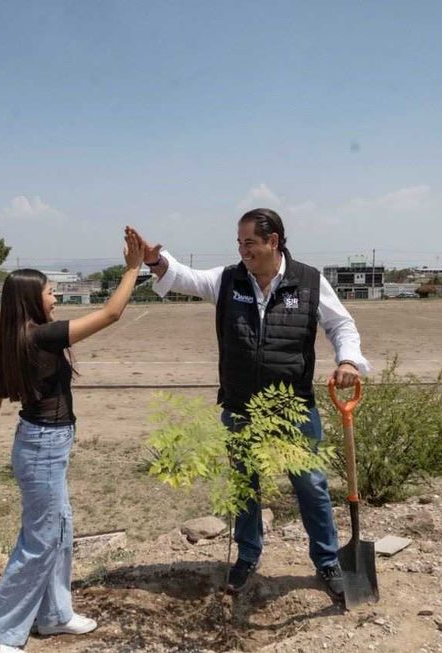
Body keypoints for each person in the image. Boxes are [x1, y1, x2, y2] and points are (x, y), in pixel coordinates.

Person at [130, 208, 370, 602]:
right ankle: (247, 556)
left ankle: (327, 561)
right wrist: (156, 261)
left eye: (250, 243)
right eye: (239, 243)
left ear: (273, 241)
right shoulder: (228, 280)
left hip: (293, 408)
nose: (243, 251)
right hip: (241, 408)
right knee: (245, 486)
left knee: (310, 484)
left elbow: (341, 324)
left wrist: (347, 360)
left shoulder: (309, 281)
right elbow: (188, 278)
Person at [0, 228, 145, 653]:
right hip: (43, 448)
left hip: (38, 445)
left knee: (60, 530)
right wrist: (132, 269)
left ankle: (53, 615)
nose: (56, 298)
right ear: (32, 299)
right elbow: (110, 315)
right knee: (39, 540)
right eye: (51, 292)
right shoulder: (41, 336)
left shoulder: (13, 340)